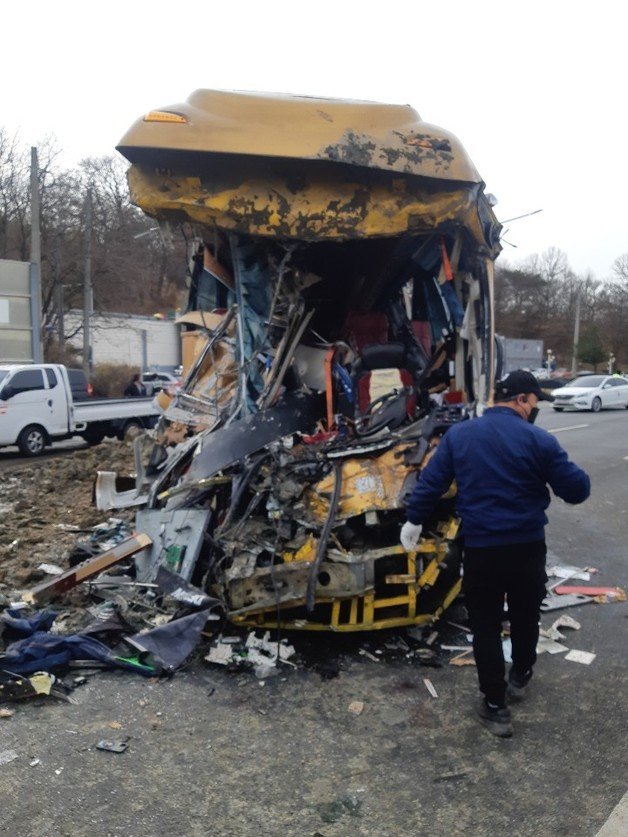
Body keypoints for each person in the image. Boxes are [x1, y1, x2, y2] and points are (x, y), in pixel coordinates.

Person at [400, 370, 590, 737]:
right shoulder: (539, 440)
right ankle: (521, 673)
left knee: (485, 624)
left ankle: (495, 707)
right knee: (524, 613)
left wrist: (413, 522)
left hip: (483, 548)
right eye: (535, 402)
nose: (535, 409)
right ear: (521, 400)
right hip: (528, 547)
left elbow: (431, 484)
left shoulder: (460, 436)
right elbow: (577, 490)